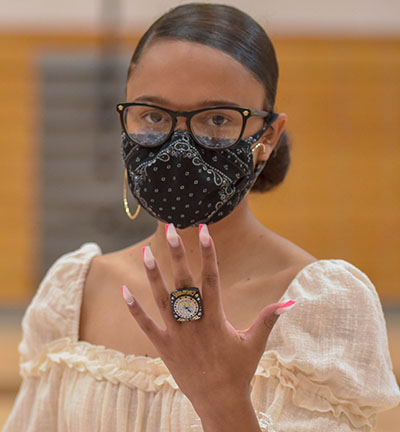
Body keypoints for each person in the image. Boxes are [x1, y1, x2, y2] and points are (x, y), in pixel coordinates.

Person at [4, 3, 400, 432]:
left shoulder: (318, 309)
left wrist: (224, 403)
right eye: (153, 115)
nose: (178, 147)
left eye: (217, 119)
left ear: (267, 137)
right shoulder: (75, 294)